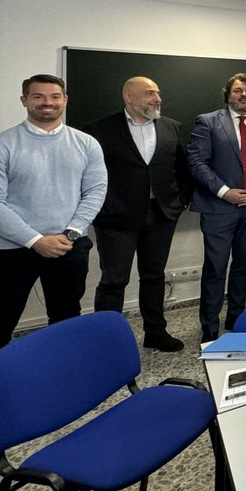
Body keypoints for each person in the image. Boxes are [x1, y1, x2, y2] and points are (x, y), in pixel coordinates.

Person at [0, 74, 107, 448]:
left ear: (65, 100)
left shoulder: (85, 144)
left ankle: (63, 396)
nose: (48, 102)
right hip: (13, 252)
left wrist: (72, 233)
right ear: (25, 100)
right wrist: (34, 240)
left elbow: (95, 191)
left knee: (65, 323)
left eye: (55, 96)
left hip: (68, 246)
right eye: (39, 97)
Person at [84, 76, 192, 353]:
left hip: (160, 215)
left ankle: (156, 332)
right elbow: (88, 175)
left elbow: (182, 168)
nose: (156, 98)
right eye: (148, 93)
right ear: (128, 97)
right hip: (116, 218)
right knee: (113, 281)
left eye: (157, 92)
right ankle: (105, 342)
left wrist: (180, 202)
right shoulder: (99, 130)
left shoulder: (171, 127)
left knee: (154, 276)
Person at [188, 72, 246, 342]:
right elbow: (197, 162)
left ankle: (237, 316)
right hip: (219, 207)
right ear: (228, 95)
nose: (244, 94)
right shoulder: (208, 122)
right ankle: (209, 325)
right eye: (238, 90)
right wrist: (225, 191)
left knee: (244, 264)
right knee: (216, 267)